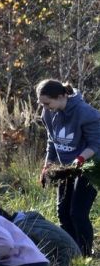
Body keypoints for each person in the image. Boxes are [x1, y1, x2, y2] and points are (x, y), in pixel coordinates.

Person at [37, 79, 100, 256]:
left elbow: (96, 144)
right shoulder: (48, 112)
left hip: (90, 165)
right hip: (65, 167)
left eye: (47, 103)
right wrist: (47, 165)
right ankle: (71, 252)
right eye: (42, 103)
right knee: (63, 212)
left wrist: (79, 160)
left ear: (62, 96)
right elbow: (52, 140)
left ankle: (86, 254)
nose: (45, 107)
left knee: (77, 213)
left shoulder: (86, 113)